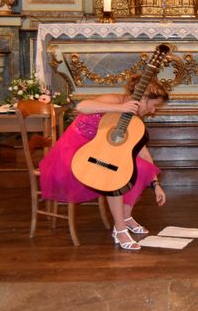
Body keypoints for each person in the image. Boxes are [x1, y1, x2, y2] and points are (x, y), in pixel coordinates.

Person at [40, 77, 169, 251]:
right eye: (154, 105)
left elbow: (143, 152)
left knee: (141, 167)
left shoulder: (133, 118)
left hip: (101, 152)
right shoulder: (115, 100)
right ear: (144, 98)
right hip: (75, 152)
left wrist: (156, 184)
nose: (153, 111)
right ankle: (120, 230)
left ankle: (125, 217)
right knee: (112, 173)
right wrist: (120, 108)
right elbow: (82, 106)